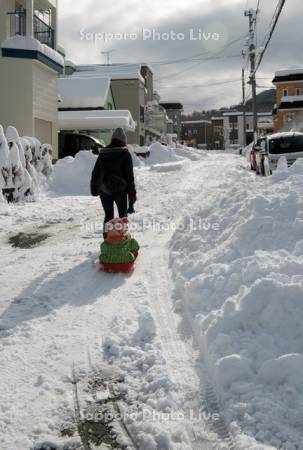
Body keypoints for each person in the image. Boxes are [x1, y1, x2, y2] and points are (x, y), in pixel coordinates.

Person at [90, 128, 137, 231]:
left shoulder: (103, 153)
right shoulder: (125, 154)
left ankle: (108, 240)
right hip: (121, 190)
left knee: (108, 216)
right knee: (122, 217)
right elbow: (130, 176)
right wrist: (132, 194)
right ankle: (121, 241)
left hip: (104, 189)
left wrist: (94, 189)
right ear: (123, 140)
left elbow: (95, 172)